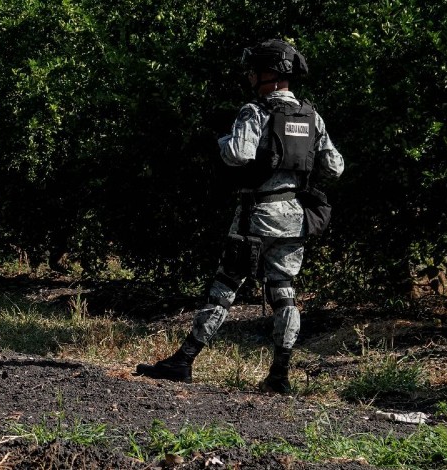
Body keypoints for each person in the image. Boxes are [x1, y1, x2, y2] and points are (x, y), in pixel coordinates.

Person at [136, 39, 344, 394]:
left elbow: (236, 155)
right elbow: (335, 168)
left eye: (254, 71)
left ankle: (184, 361)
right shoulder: (312, 117)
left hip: (256, 214)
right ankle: (279, 375)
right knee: (285, 292)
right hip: (294, 218)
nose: (249, 77)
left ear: (270, 74)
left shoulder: (255, 111)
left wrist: (221, 140)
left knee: (225, 286)